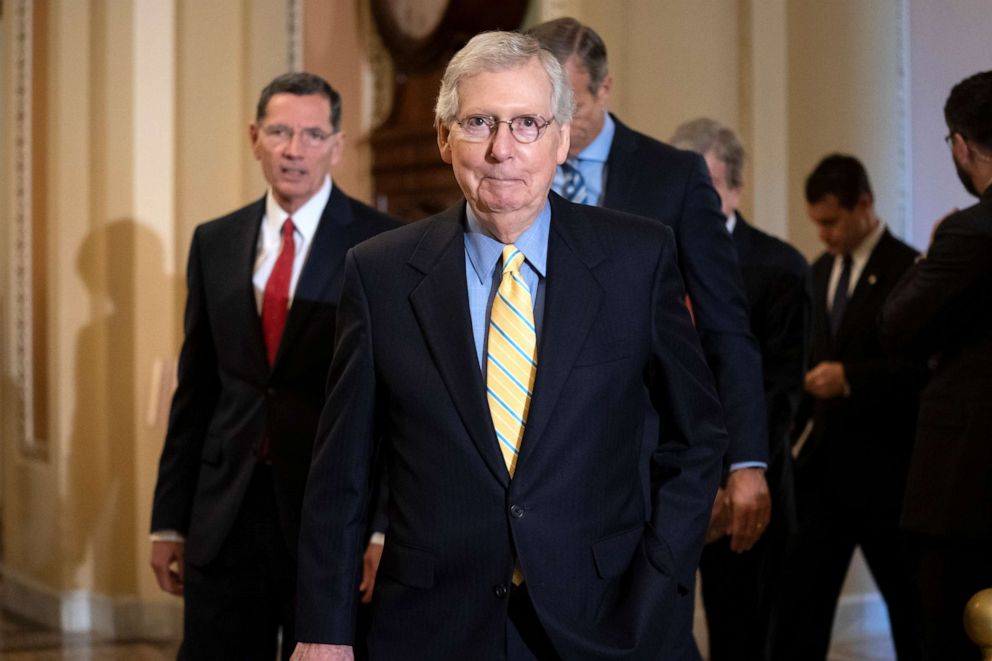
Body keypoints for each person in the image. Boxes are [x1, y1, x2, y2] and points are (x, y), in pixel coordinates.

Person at [291, 31, 728, 660]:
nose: (503, 150)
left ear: (562, 138)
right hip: (432, 627)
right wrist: (324, 631)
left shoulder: (638, 257)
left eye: (527, 123)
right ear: (445, 138)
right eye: (479, 122)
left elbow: (697, 438)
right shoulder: (379, 273)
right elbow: (342, 473)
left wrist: (660, 575)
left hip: (610, 621)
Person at [149, 72, 398, 660]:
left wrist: (383, 524)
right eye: (281, 132)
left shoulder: (383, 244)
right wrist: (168, 520)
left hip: (328, 513)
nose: (295, 150)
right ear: (255, 137)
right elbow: (198, 389)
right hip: (224, 511)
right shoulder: (214, 241)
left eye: (313, 134)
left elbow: (394, 405)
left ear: (337, 146)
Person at [771, 155, 925, 661]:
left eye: (832, 222)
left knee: (913, 614)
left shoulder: (910, 269)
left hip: (889, 479)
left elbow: (924, 370)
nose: (824, 235)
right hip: (822, 477)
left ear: (864, 204)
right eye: (817, 223)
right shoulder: (815, 274)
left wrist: (851, 380)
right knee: (800, 614)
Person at [671, 118, 810, 661]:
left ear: (735, 187)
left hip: (743, 488)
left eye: (706, 186)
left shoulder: (780, 267)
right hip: (670, 486)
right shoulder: (652, 255)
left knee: (742, 637)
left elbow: (781, 391)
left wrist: (735, 475)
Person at [880, 70, 992, 661]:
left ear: (961, 145)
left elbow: (898, 324)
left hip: (967, 487)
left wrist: (934, 247)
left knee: (948, 636)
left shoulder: (971, 231)